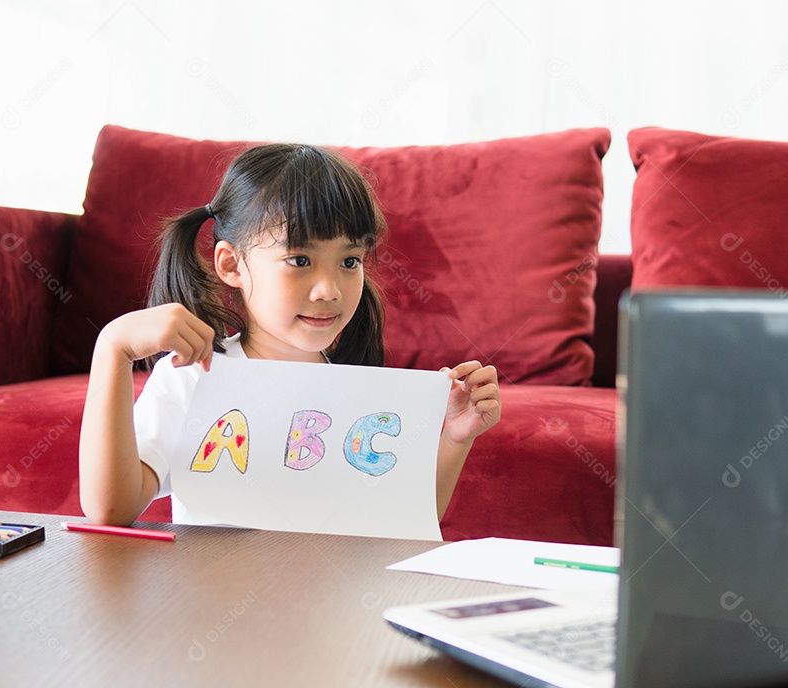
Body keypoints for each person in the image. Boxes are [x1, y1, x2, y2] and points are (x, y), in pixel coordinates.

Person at [79, 144, 500, 527]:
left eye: (349, 262)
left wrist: (454, 437)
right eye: (300, 260)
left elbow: (402, 518)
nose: (329, 290)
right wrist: (112, 348)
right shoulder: (194, 378)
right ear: (231, 265)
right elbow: (111, 509)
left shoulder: (359, 389)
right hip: (219, 589)